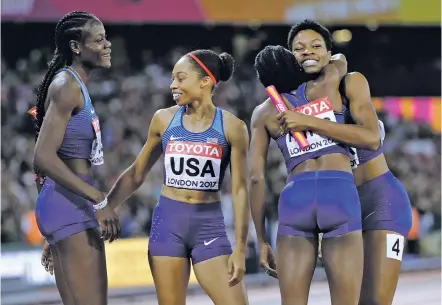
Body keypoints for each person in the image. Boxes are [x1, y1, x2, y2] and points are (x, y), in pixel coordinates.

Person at [106, 49, 250, 305]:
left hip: (209, 226)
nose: (173, 85)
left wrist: (240, 248)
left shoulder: (232, 127)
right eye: (172, 78)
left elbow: (239, 190)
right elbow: (137, 173)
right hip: (167, 225)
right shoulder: (163, 119)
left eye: (180, 78)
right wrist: (105, 208)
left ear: (205, 81)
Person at [284, 19, 412, 305]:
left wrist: (308, 122)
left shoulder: (350, 81)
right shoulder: (289, 103)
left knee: (375, 302)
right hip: (340, 206)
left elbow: (370, 138)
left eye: (317, 46)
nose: (308, 52)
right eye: (299, 48)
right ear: (289, 56)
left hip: (381, 201)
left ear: (329, 54)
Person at [251, 43, 378, 305]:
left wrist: (262, 240)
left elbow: (255, 178)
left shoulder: (263, 113)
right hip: (338, 192)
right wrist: (321, 58)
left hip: (296, 197)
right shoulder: (327, 83)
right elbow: (341, 60)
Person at [31, 11, 119, 305]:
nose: (107, 45)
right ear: (76, 47)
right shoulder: (66, 86)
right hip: (70, 203)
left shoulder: (75, 86)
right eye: (98, 40)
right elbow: (42, 157)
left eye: (105, 38)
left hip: (65, 204)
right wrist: (99, 199)